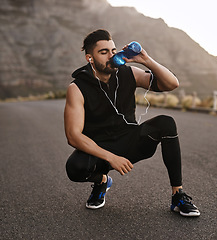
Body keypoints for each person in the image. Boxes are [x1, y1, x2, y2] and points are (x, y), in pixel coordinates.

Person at [64, 29, 200, 217]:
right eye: (103, 52)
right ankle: (102, 181)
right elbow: (73, 136)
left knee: (166, 123)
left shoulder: (129, 73)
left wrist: (146, 60)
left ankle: (178, 195)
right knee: (75, 168)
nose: (111, 56)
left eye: (113, 50)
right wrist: (111, 157)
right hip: (100, 148)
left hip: (130, 141)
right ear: (90, 58)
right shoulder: (77, 87)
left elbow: (171, 84)